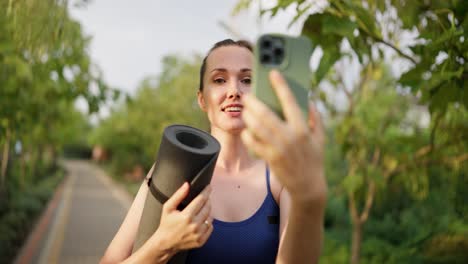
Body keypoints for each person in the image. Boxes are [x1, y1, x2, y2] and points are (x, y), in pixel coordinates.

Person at [100, 39, 327, 264]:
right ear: (202, 99)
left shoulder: (282, 178)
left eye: (247, 80)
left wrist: (310, 199)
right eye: (219, 80)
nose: (234, 91)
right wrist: (162, 244)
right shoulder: (172, 170)